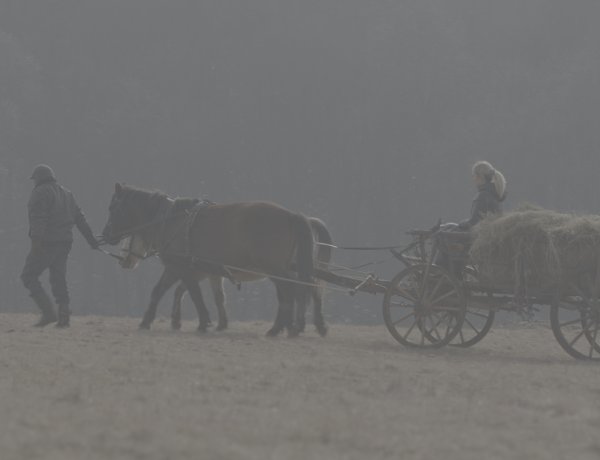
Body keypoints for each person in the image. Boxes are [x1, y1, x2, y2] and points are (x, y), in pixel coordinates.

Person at [20, 164, 99, 328]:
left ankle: (48, 313)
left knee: (28, 276)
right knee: (58, 278)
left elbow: (38, 218)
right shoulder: (67, 193)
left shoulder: (40, 193)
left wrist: (36, 242)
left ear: (38, 178)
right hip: (65, 243)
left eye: (34, 179)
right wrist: (91, 240)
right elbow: (80, 218)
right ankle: (64, 317)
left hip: (46, 243)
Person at [457, 160, 507, 230]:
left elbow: (473, 223)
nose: (473, 179)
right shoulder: (495, 194)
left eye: (473, 176)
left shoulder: (482, 196)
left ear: (479, 177)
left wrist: (460, 224)